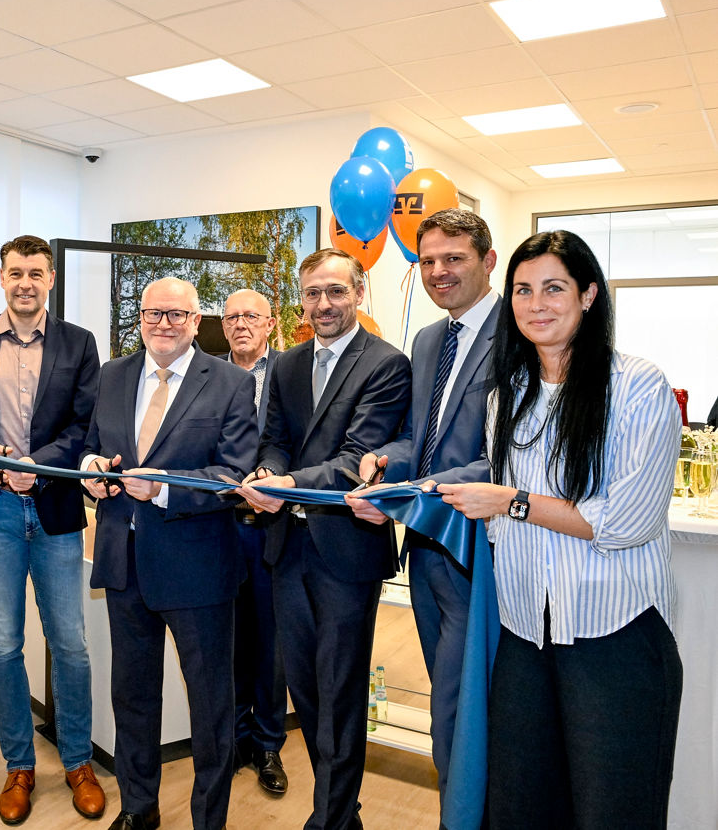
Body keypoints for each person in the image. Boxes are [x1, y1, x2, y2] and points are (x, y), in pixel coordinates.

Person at [436, 230, 682, 828]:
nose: (536, 304)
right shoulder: (508, 396)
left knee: (613, 813)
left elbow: (626, 521)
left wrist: (513, 502)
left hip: (616, 636)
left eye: (554, 288)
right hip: (525, 635)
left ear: (588, 295)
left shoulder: (638, 385)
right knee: (521, 809)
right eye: (523, 290)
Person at [0, 234, 104, 825]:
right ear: (1, 278)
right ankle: (20, 766)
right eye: (15, 273)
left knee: (70, 643)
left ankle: (78, 762)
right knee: (4, 642)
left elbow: (87, 425)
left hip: (55, 509)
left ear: (50, 279)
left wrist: (38, 465)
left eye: (35, 273)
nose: (25, 283)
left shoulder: (79, 343)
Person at [237, 248, 411, 830]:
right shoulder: (287, 365)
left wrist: (287, 483)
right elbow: (274, 440)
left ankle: (329, 819)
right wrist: (268, 471)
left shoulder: (386, 364)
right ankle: (343, 813)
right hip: (288, 548)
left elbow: (357, 456)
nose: (324, 303)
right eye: (313, 293)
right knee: (307, 691)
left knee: (340, 692)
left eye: (336, 291)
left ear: (358, 293)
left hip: (346, 551)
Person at [82, 277, 258, 830]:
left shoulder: (230, 383)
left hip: (197, 568)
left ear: (196, 321)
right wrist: (90, 469)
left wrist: (163, 488)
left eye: (177, 315)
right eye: (154, 313)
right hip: (123, 560)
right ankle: (139, 807)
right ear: (140, 317)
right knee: (132, 697)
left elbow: (233, 475)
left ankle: (209, 820)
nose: (164, 323)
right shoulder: (112, 375)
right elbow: (91, 444)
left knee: (210, 707)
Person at [343, 208, 499, 807]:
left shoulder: (520, 335)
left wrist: (416, 492)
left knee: (463, 710)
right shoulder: (429, 339)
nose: (438, 272)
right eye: (428, 260)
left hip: (483, 551)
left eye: (453, 258)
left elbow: (508, 458)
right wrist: (386, 463)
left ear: (488, 261)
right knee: (447, 701)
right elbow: (419, 439)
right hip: (428, 551)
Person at [220, 288, 287, 796]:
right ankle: (234, 739)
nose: (241, 324)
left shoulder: (290, 372)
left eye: (251, 316)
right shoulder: (207, 375)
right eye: (231, 317)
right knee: (226, 641)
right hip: (219, 529)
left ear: (270, 323)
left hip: (272, 529)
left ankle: (267, 744)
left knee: (269, 642)